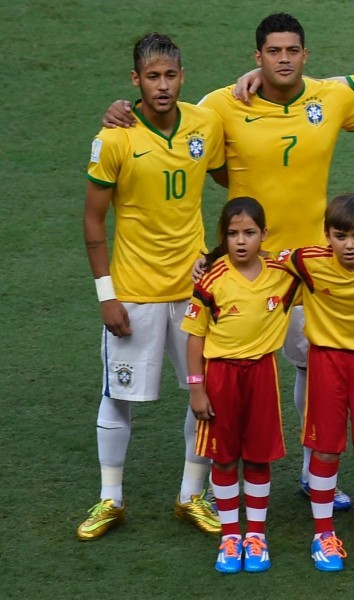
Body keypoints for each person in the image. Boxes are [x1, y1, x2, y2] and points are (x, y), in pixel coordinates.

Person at [101, 13, 354, 510]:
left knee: (312, 365)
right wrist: (119, 110)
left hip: (310, 266)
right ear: (255, 57)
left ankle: (311, 472)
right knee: (234, 371)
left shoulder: (334, 95)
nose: (283, 59)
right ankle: (220, 488)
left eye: (292, 51)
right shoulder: (221, 103)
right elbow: (171, 122)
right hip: (245, 266)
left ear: (306, 55)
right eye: (273, 52)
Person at [77, 32, 226, 541]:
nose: (162, 86)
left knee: (204, 395)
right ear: (135, 80)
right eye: (152, 77)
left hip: (194, 291)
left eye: (171, 75)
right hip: (135, 293)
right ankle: (110, 499)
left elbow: (235, 175)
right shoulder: (114, 136)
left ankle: (191, 496)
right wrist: (106, 295)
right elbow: (94, 221)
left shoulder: (205, 123)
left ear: (183, 77)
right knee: (117, 397)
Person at [180, 197, 301, 573]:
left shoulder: (283, 275)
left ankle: (257, 536)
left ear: (263, 235)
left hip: (262, 374)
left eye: (249, 232)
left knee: (258, 456)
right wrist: (197, 388)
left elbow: (320, 267)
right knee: (225, 456)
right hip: (220, 377)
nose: (241, 240)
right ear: (224, 237)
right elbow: (195, 338)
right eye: (232, 234)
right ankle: (231, 536)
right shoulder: (212, 280)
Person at [276, 193, 354, 571]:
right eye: (341, 235)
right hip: (328, 363)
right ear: (327, 236)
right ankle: (323, 534)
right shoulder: (306, 260)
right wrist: (206, 262)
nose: (349, 245)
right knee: (326, 449)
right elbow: (257, 258)